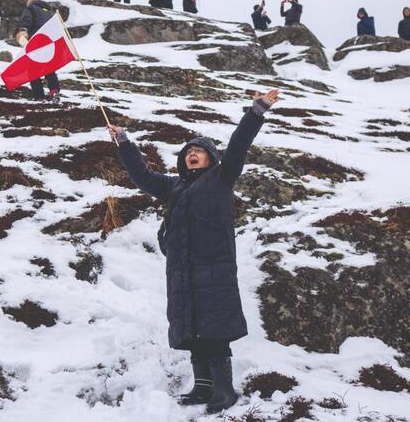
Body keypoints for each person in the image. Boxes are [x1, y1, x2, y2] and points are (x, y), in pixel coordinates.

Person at [107, 88, 280, 414]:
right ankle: (203, 387)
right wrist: (126, 144)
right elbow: (142, 176)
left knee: (214, 328)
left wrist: (256, 111)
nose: (192, 154)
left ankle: (225, 391)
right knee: (192, 327)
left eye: (199, 151)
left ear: (211, 159)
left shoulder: (221, 176)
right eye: (189, 151)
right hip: (183, 268)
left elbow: (240, 143)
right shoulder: (175, 185)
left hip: (214, 265)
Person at [16, 0, 62, 102]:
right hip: (49, 43)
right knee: (49, 68)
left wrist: (23, 30)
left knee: (33, 69)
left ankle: (39, 96)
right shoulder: (50, 12)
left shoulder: (30, 8)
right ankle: (54, 91)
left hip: (36, 41)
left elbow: (27, 20)